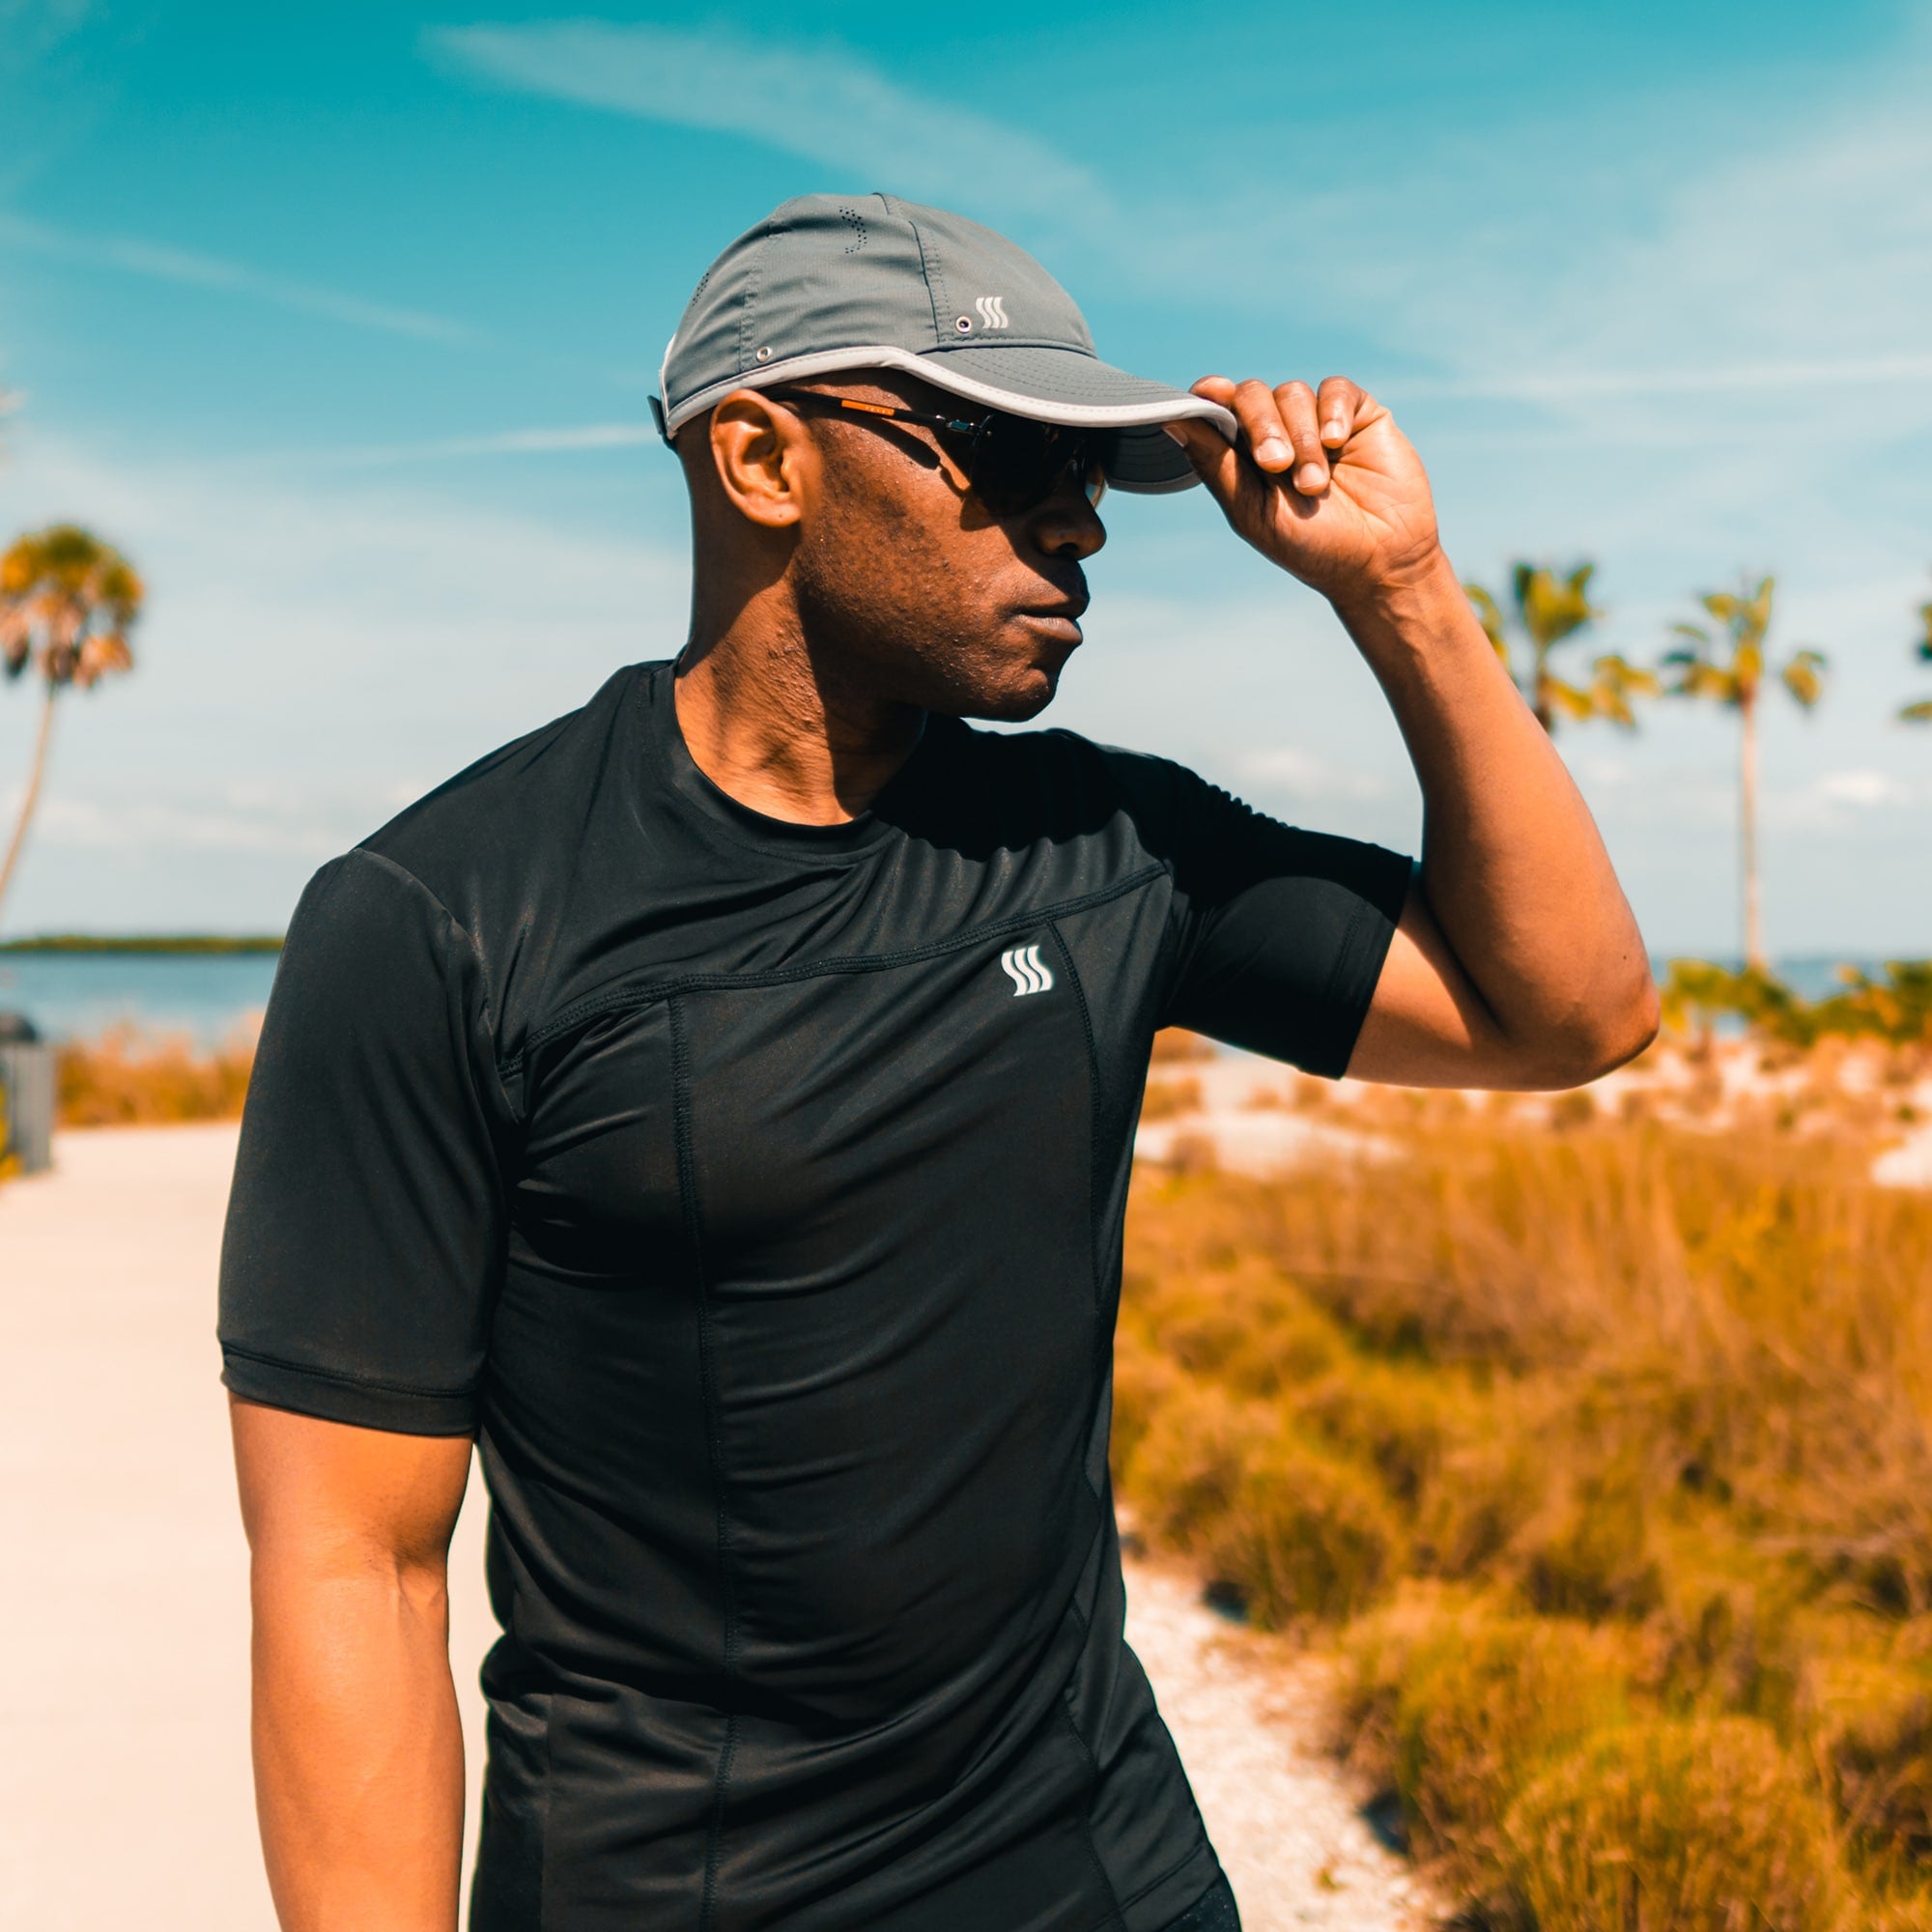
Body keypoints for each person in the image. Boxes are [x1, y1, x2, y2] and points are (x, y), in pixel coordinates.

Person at [220, 193, 1657, 1932]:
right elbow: (352, 1565)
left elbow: (1566, 1016)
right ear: (761, 458)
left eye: (1096, 476)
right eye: (1001, 452)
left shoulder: (1106, 840)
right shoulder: (441, 917)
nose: (1076, 529)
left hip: (1105, 1872)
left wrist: (1406, 597)